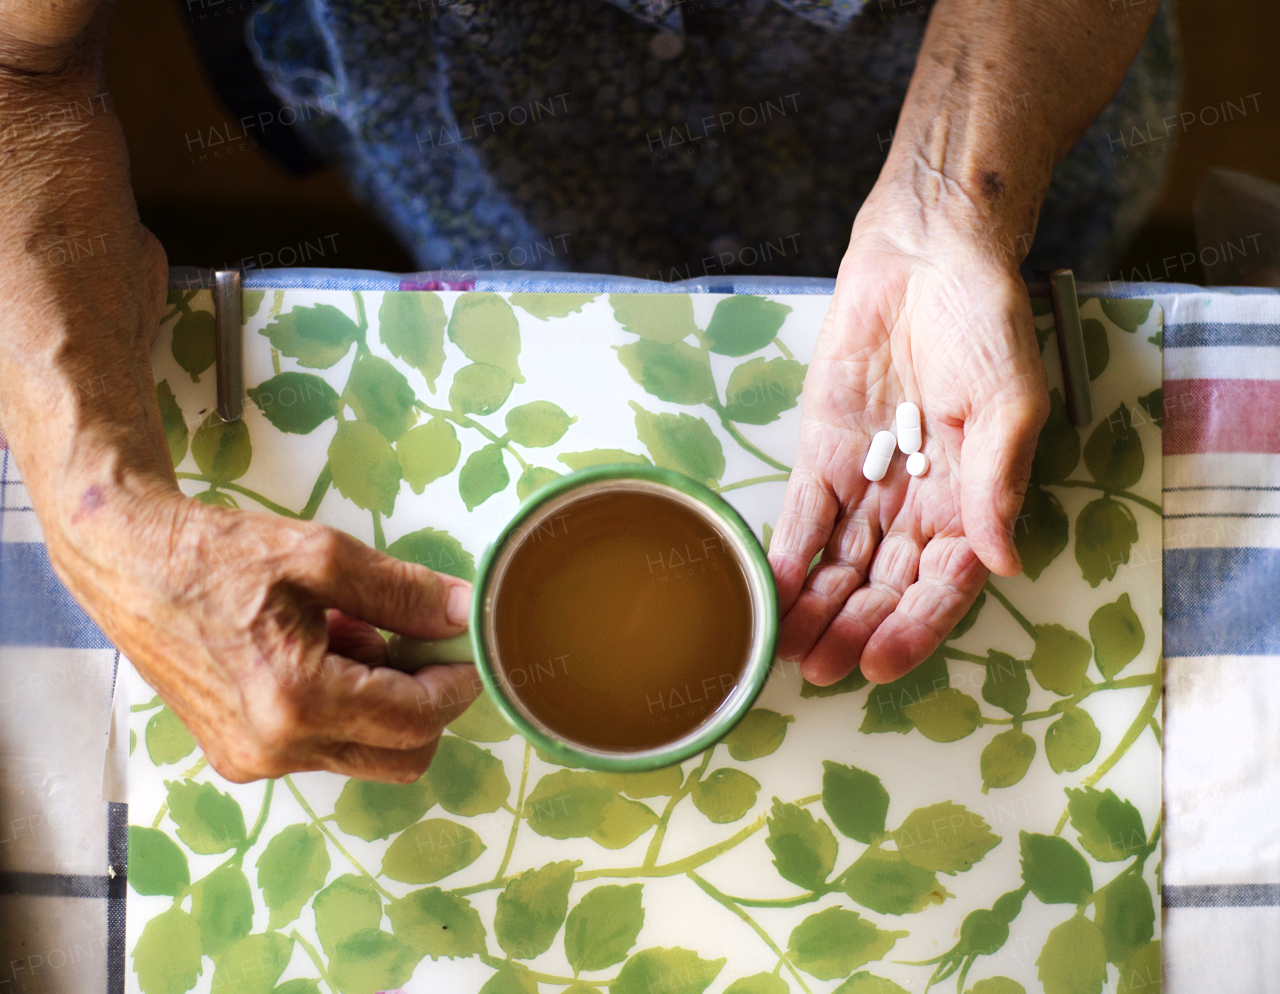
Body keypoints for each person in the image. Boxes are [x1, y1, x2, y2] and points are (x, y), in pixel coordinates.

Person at [0, 0, 1176, 783]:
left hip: (992, 127)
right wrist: (93, 504)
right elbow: (18, 66)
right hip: (487, 173)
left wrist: (948, 199)